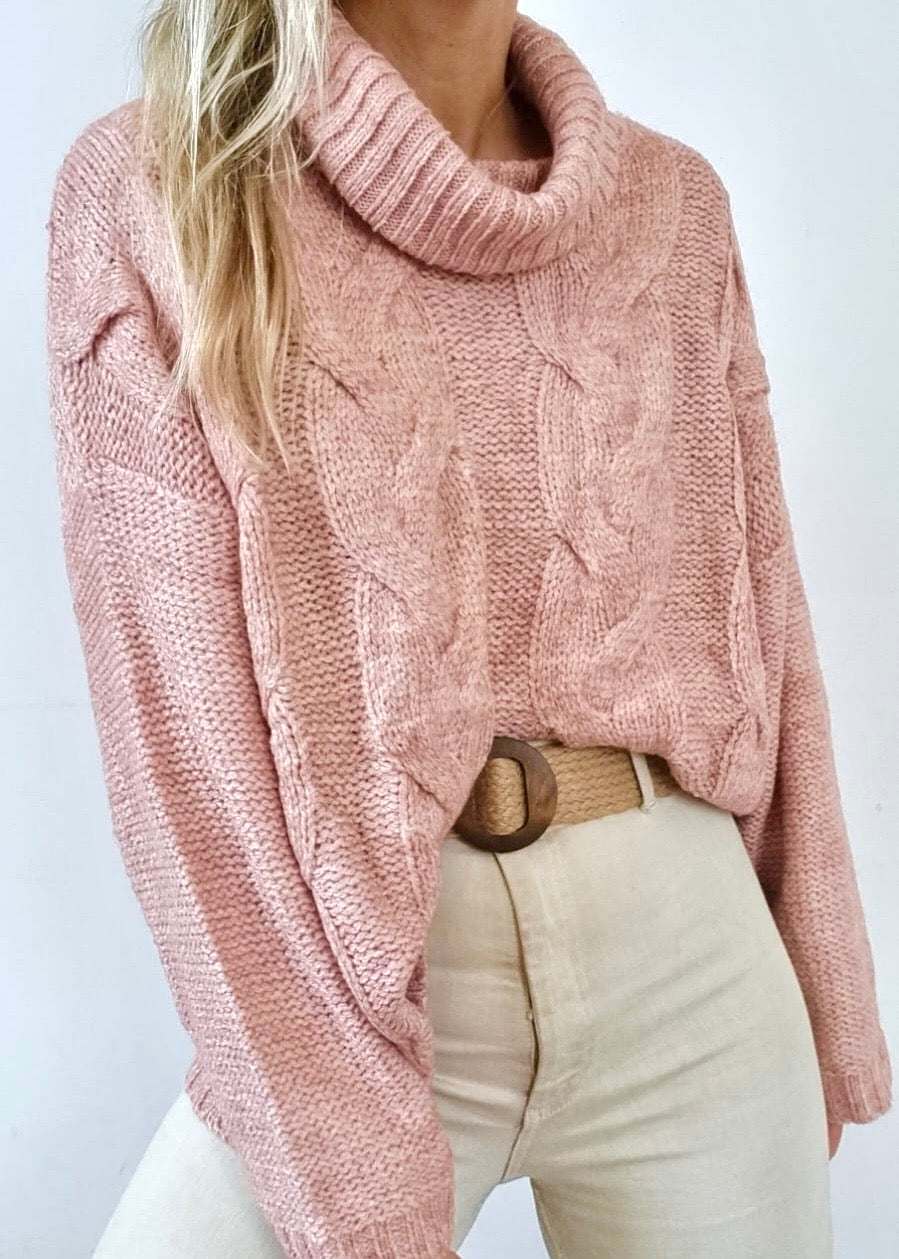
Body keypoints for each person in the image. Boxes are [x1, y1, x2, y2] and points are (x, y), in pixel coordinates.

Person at [44, 1, 891, 1256]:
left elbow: (761, 616)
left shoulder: (674, 210)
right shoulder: (160, 189)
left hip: (692, 955)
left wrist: (821, 975)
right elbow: (184, 764)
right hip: (361, 974)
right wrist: (345, 1153)